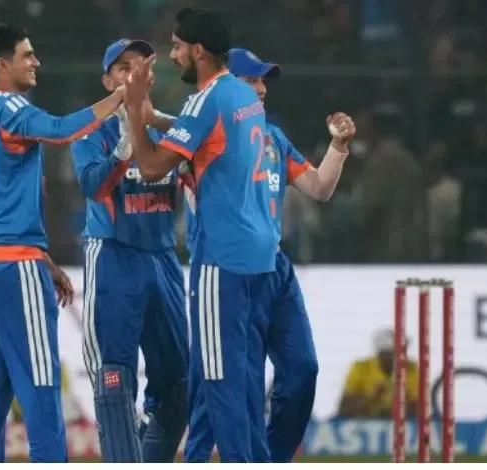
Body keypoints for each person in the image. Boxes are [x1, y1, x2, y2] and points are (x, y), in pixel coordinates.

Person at [181, 47, 355, 463]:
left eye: (263, 81)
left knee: (303, 369)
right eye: (251, 81)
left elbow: (319, 188)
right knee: (232, 385)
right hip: (228, 267)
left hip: (274, 267)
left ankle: (271, 460)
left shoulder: (273, 139)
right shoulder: (207, 134)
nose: (261, 90)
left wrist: (338, 146)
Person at [122, 8, 278, 463]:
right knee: (244, 375)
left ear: (199, 50)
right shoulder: (243, 95)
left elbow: (152, 167)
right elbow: (209, 135)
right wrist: (157, 119)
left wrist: (134, 112)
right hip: (259, 253)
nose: (173, 56)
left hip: (221, 256)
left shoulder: (205, 99)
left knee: (218, 379)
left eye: (176, 47)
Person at [0, 23, 125, 462]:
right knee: (40, 380)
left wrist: (44, 260)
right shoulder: (12, 107)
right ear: (3, 65)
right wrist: (119, 98)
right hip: (14, 264)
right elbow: (60, 129)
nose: (36, 61)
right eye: (27, 55)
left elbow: (0, 199)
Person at [69, 39, 188, 462]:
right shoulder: (90, 130)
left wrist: (153, 121)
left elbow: (213, 146)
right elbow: (92, 185)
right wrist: (125, 139)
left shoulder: (167, 130)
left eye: (141, 66)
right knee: (115, 377)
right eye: (123, 68)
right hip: (114, 255)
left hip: (164, 257)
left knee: (180, 381)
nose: (134, 74)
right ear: (107, 81)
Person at [337, 329, 419, 419]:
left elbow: (419, 404)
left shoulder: (411, 368)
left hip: (402, 421)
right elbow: (345, 406)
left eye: (403, 351)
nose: (401, 357)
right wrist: (371, 398)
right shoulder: (361, 367)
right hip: (364, 421)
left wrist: (402, 401)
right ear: (381, 353)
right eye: (393, 353)